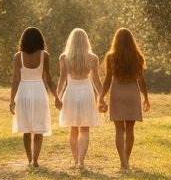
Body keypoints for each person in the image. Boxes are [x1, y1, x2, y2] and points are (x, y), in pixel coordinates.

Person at [98, 27, 150, 171]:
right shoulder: (138, 56)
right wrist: (146, 97)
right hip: (132, 94)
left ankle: (123, 163)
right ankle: (126, 161)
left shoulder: (111, 57)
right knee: (130, 129)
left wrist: (101, 97)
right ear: (132, 41)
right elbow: (141, 80)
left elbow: (108, 80)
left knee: (119, 130)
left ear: (116, 40)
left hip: (117, 94)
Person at [9, 26, 61, 168]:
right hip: (39, 91)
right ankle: (35, 160)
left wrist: (11, 100)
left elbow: (15, 80)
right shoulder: (44, 55)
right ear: (40, 40)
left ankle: (29, 159)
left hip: (24, 92)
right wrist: (57, 96)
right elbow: (49, 79)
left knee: (26, 129)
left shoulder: (18, 56)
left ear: (23, 41)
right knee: (38, 128)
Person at [57, 27, 103, 169]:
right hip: (86, 93)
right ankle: (81, 162)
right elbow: (96, 80)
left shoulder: (64, 57)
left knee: (73, 129)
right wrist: (102, 97)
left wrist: (58, 96)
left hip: (71, 93)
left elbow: (62, 80)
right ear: (86, 41)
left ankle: (76, 160)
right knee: (84, 129)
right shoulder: (92, 58)